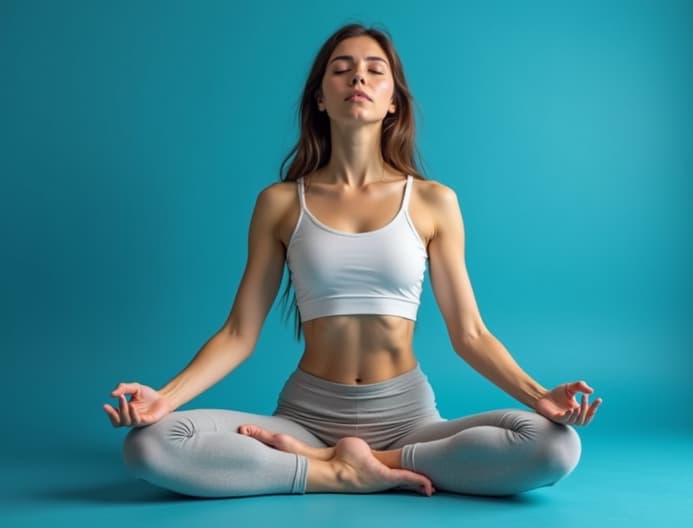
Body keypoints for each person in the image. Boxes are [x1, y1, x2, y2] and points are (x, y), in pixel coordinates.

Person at [103, 23, 602, 499]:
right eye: (341, 68)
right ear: (320, 97)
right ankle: (334, 471)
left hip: (408, 418)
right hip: (305, 416)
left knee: (554, 445)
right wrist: (165, 398)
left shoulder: (433, 201)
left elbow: (469, 334)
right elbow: (239, 333)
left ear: (392, 102)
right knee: (150, 444)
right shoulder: (280, 202)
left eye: (374, 69)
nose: (358, 77)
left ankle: (364, 460)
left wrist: (539, 396)